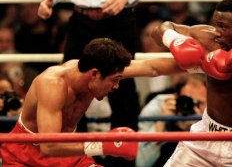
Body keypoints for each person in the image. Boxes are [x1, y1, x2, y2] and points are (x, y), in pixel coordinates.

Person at [124, 0, 232, 166]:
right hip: (205, 140)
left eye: (223, 26)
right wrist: (173, 39)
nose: (216, 31)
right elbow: (160, 29)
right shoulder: (208, 38)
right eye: (215, 23)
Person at [38, 0, 154, 165]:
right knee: (70, 89)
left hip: (119, 19)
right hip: (80, 20)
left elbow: (151, 68)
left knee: (122, 91)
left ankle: (122, 162)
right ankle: (74, 161)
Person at [0, 38, 138, 166]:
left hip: (67, 151)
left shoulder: (103, 72)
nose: (116, 86)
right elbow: (49, 146)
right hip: (26, 155)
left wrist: (161, 33)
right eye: (115, 80)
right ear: (94, 74)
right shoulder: (52, 84)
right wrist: (102, 146)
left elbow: (152, 67)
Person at [137, 74, 207, 167]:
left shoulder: (213, 113)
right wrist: (160, 124)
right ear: (175, 96)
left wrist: (199, 127)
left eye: (198, 103)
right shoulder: (158, 107)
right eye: (186, 100)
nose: (190, 106)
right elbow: (140, 163)